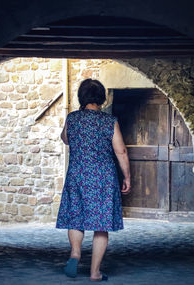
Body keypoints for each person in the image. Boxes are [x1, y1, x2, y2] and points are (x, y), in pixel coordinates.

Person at [55, 78, 131, 282]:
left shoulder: (72, 118)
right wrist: (127, 176)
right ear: (102, 99)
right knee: (101, 224)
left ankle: (75, 253)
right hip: (103, 177)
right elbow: (121, 151)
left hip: (77, 174)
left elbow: (66, 139)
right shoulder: (109, 121)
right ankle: (94, 272)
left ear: (82, 97)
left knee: (75, 217)